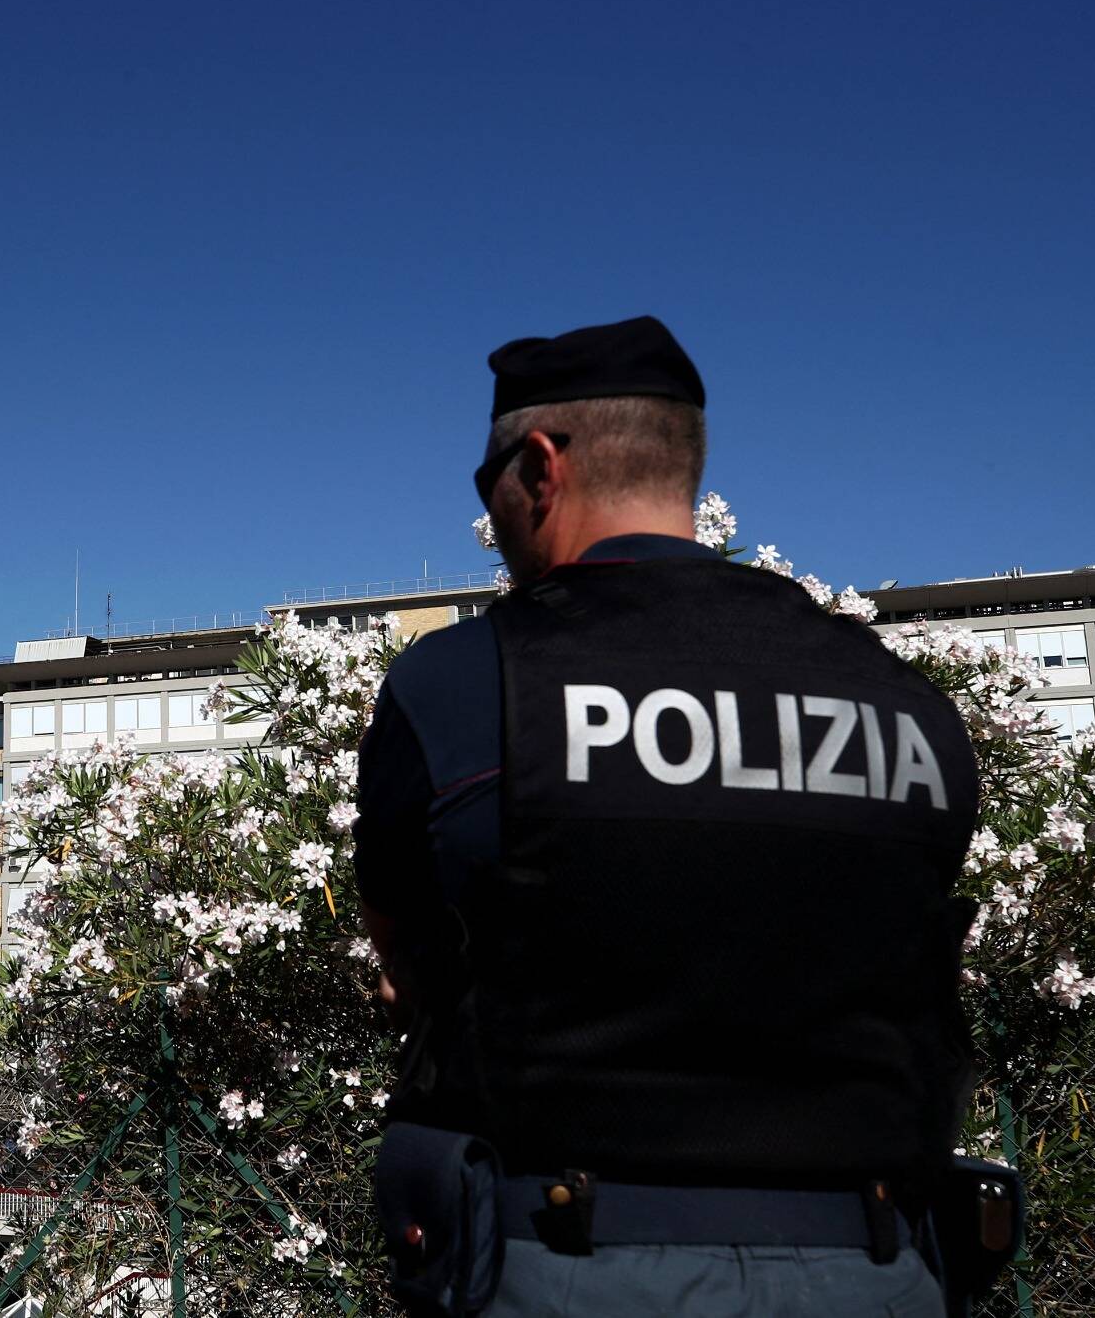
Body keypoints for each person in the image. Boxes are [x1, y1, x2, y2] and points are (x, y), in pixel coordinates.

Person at [356, 316, 979, 1316]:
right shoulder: (901, 701)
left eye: (487, 485)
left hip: (560, 1262)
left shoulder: (463, 684)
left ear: (539, 465)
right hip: (873, 1267)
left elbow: (407, 962)